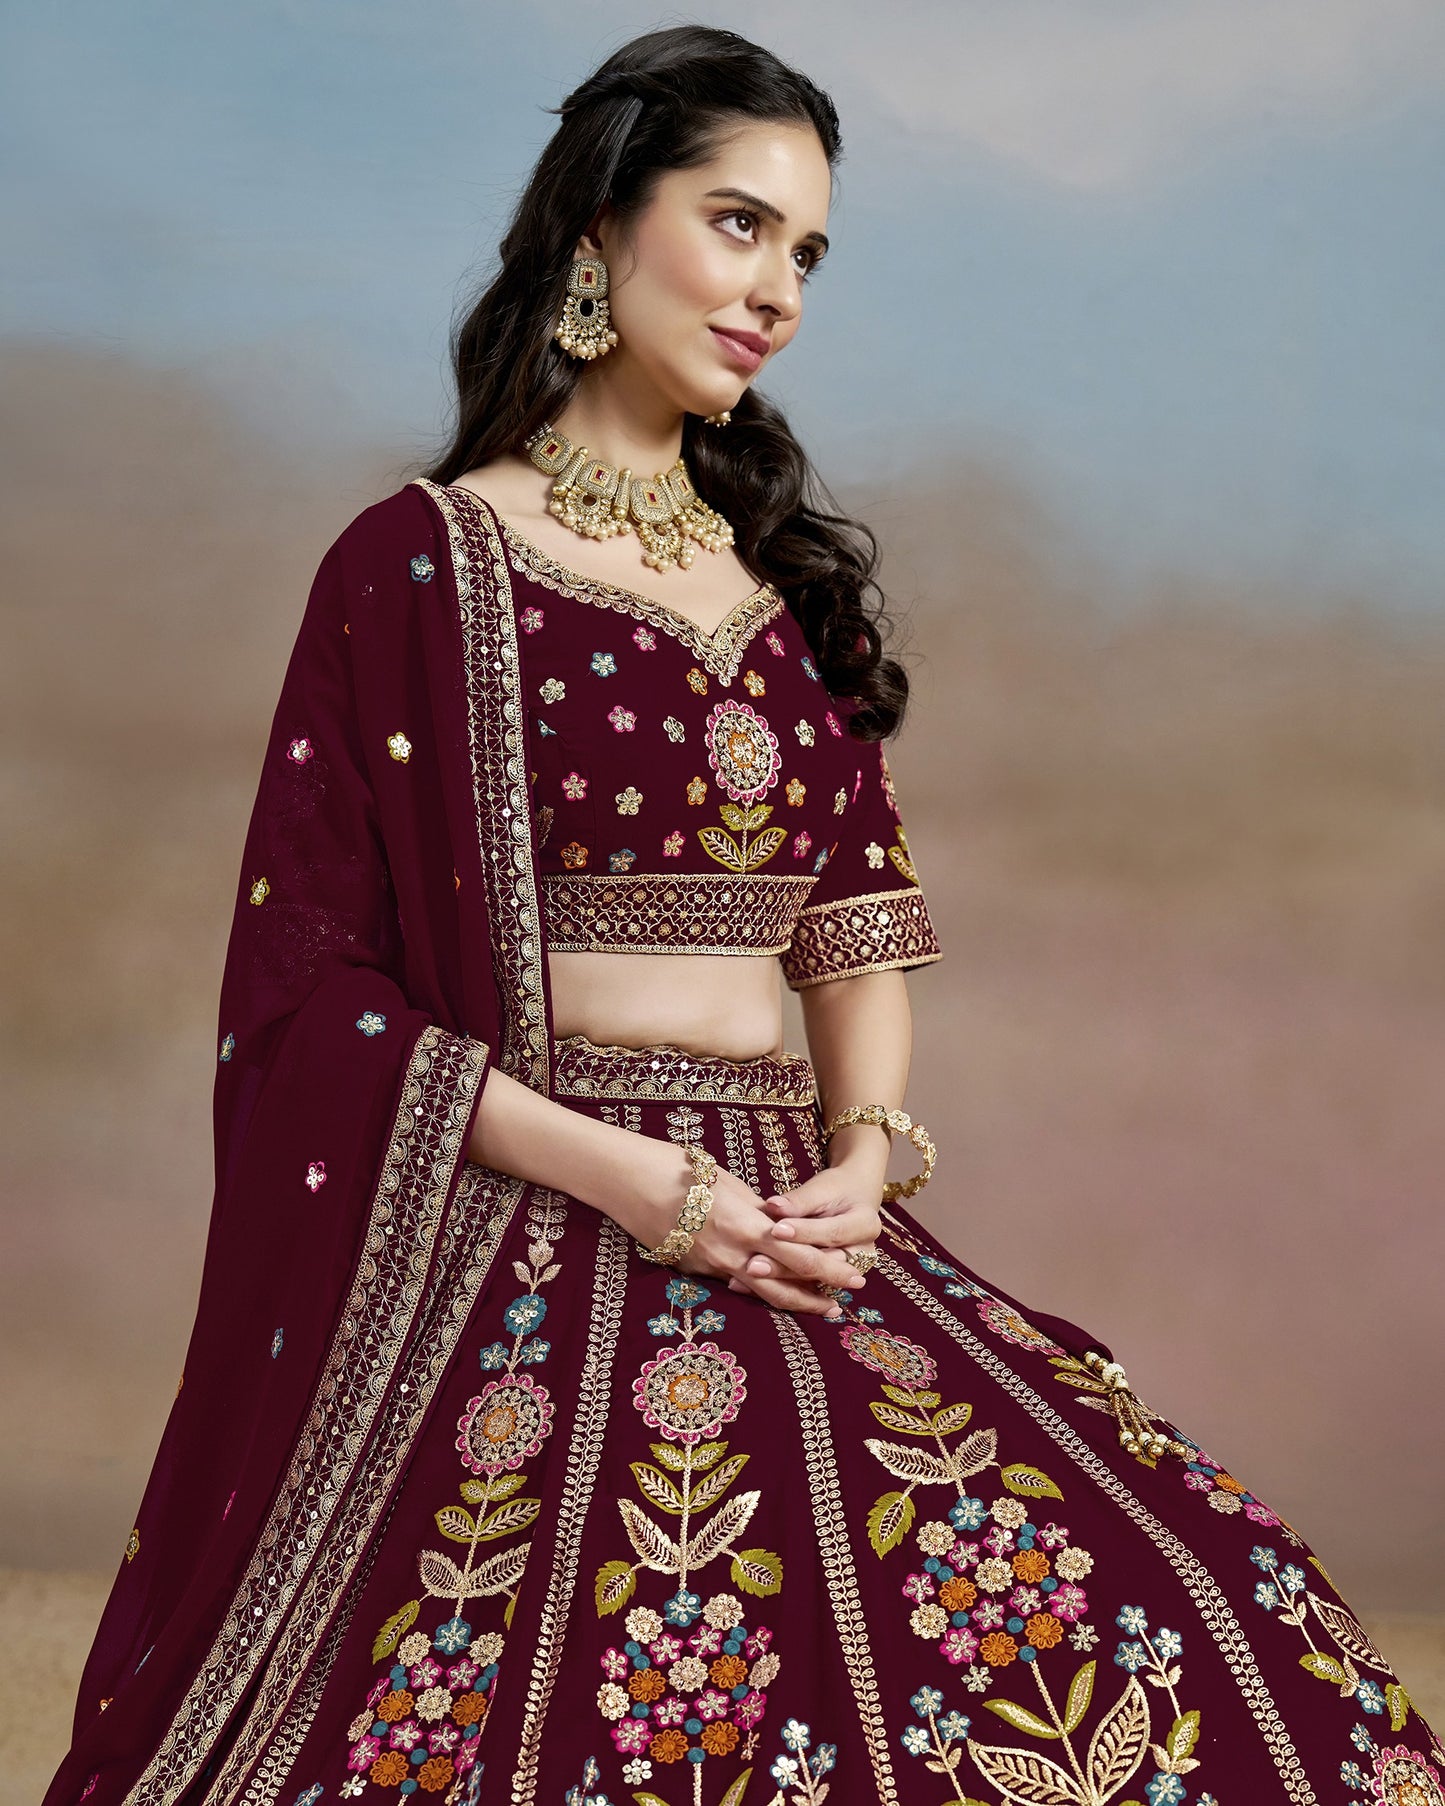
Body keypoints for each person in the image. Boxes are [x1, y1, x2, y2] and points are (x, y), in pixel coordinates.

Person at [44, 24, 1441, 1806]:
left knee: (1191, 1598)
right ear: (598, 230)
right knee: (631, 1710)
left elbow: (854, 918)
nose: (777, 287)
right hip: (537, 1208)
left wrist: (864, 1151)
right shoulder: (419, 566)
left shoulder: (770, 588)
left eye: (807, 252)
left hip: (797, 1215)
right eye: (735, 224)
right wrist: (647, 1183)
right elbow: (313, 994)